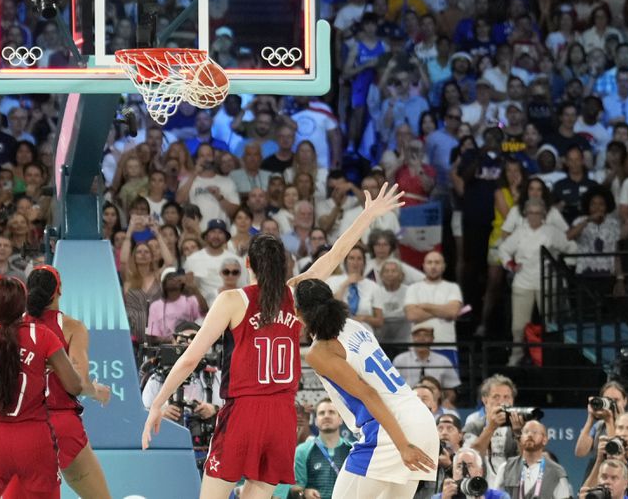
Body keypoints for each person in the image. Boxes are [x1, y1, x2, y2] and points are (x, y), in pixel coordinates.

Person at [142, 183, 406, 499]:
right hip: (282, 416)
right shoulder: (295, 294)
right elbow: (336, 253)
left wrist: (158, 404)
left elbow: (189, 358)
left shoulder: (232, 300)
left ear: (248, 264)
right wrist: (367, 216)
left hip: (244, 411)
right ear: (284, 265)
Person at [293, 274, 437, 498]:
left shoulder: (319, 352)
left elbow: (368, 394)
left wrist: (402, 445)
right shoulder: (354, 325)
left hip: (389, 428)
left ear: (298, 312)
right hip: (420, 418)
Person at [0, 276, 90, 499]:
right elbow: (74, 386)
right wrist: (52, 367)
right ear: (22, 305)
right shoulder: (43, 335)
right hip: (35, 439)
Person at [23, 265, 114, 498]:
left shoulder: (10, 329)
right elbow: (79, 383)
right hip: (59, 425)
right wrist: (98, 392)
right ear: (58, 291)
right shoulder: (72, 328)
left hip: (19, 428)